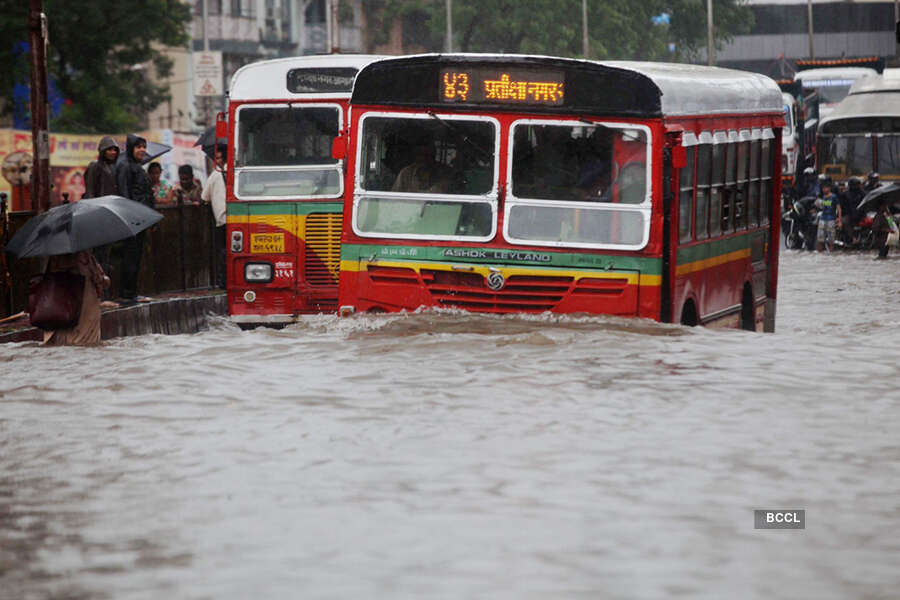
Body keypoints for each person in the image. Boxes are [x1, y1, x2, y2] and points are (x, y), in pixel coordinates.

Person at [115, 134, 153, 304]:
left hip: (142, 217)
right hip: (132, 219)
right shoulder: (125, 166)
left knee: (136, 257)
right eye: (139, 147)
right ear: (131, 149)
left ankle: (131, 292)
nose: (142, 150)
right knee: (130, 258)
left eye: (144, 147)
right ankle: (127, 293)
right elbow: (124, 193)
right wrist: (130, 217)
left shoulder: (138, 167)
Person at [42, 251, 109, 346]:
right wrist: (104, 279)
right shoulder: (85, 258)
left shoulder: (54, 260)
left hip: (60, 309)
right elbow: (102, 280)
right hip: (84, 317)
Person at [83, 136, 120, 286]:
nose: (112, 152)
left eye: (114, 149)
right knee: (99, 254)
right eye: (109, 149)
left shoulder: (114, 167)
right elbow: (90, 190)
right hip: (99, 213)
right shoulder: (95, 166)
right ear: (102, 151)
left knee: (107, 254)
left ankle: (105, 290)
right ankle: (100, 292)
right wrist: (94, 211)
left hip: (111, 212)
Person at [201, 145, 227, 288]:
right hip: (237, 217)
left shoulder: (215, 175)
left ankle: (223, 282)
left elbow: (204, 197)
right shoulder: (234, 171)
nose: (216, 161)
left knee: (223, 250)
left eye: (218, 158)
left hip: (222, 219)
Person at [838, 176, 864, 244]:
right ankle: (851, 238)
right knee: (844, 222)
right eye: (855, 184)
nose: (856, 186)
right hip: (849, 215)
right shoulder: (845, 194)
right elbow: (841, 206)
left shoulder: (862, 193)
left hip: (860, 215)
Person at [815, 181, 838, 252]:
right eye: (823, 188)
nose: (824, 189)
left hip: (831, 220)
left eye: (826, 188)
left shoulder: (833, 197)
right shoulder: (822, 197)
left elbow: (838, 208)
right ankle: (819, 254)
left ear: (829, 188)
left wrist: (839, 220)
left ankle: (831, 253)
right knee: (820, 239)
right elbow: (819, 206)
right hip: (822, 219)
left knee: (831, 241)